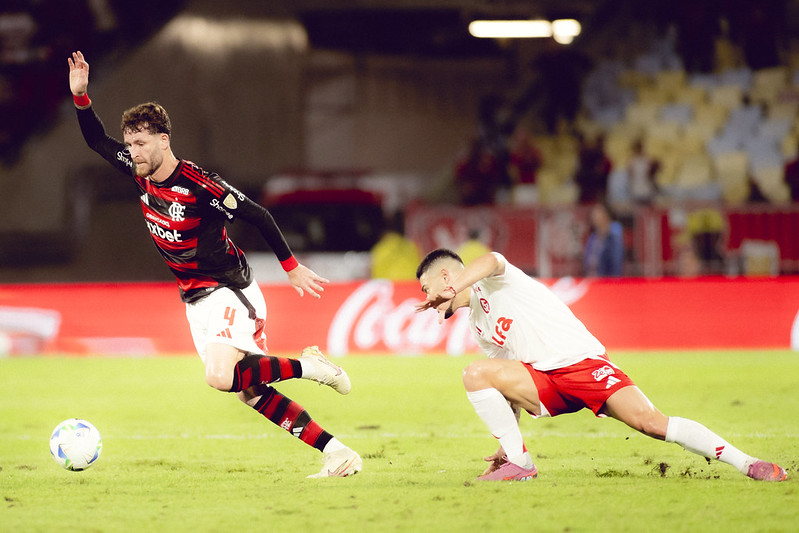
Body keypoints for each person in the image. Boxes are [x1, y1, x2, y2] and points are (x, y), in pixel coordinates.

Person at [67, 51, 361, 478]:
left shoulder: (200, 184)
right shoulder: (138, 171)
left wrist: (292, 266)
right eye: (130, 144)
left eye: (141, 143)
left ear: (164, 140)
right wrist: (81, 97)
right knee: (252, 393)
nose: (133, 152)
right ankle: (337, 453)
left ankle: (311, 367)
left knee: (220, 376)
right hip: (194, 299)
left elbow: (258, 214)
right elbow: (95, 140)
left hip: (229, 289)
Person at [414, 249, 787, 482]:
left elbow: (492, 259)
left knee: (653, 424)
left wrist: (453, 287)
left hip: (581, 365)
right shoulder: (478, 325)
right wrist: (508, 441)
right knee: (475, 374)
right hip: (545, 382)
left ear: (447, 278)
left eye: (425, 288)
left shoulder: (493, 281)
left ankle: (747, 463)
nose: (426, 299)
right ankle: (520, 463)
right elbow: (506, 386)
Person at [583, 202, 624, 277]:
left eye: (597, 214)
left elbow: (616, 262)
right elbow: (587, 259)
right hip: (592, 279)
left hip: (606, 281)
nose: (594, 217)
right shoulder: (593, 237)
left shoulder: (613, 237)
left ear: (606, 215)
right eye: (593, 214)